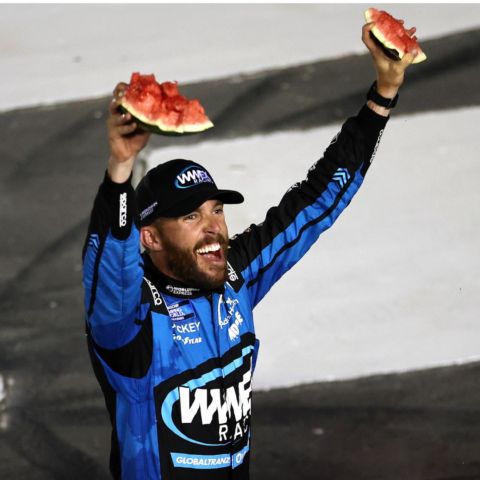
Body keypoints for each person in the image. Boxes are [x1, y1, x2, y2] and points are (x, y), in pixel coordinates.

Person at [82, 23, 417, 480]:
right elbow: (109, 268)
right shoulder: (129, 319)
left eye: (216, 210)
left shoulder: (235, 275)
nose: (215, 229)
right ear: (151, 238)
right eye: (191, 217)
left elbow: (314, 202)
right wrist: (120, 170)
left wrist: (383, 96)